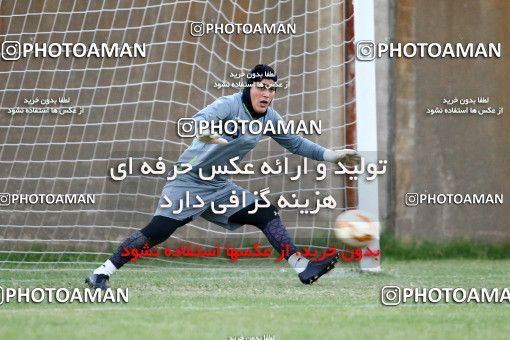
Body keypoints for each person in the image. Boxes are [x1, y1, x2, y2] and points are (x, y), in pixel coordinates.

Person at [86, 64, 360, 289]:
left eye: (272, 88)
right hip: (188, 180)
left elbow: (296, 143)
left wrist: (330, 155)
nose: (267, 93)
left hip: (218, 185)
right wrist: (204, 132)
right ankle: (101, 273)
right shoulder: (228, 105)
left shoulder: (270, 118)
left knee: (265, 212)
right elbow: (197, 121)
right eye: (261, 87)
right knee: (158, 231)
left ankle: (302, 267)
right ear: (249, 87)